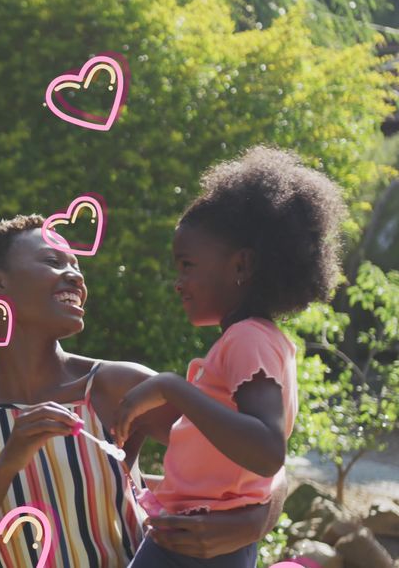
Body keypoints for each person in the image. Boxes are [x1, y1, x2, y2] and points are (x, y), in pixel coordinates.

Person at [0, 214, 289, 567]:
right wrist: (8, 463)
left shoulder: (117, 386)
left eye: (77, 267)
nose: (75, 276)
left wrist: (254, 523)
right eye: (53, 260)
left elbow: (258, 456)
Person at [114, 146, 347, 567]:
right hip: (208, 534)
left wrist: (172, 387)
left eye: (187, 265)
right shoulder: (252, 339)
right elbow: (216, 446)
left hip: (200, 540)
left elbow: (265, 449)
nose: (178, 282)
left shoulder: (247, 339)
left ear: (240, 265)